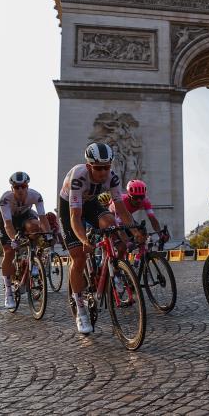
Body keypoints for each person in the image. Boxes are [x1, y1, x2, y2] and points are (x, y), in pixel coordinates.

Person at [58, 142, 144, 334]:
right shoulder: (79, 176)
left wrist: (133, 231)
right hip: (70, 207)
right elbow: (75, 217)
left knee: (110, 222)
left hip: (91, 203)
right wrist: (83, 240)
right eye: (99, 168)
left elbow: (120, 209)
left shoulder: (111, 178)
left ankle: (113, 265)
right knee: (79, 257)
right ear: (89, 166)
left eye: (107, 167)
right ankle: (80, 309)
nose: (104, 172)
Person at [0, 172, 50, 309]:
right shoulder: (5, 199)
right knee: (9, 251)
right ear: (12, 189)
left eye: (23, 186)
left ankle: (32, 257)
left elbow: (43, 219)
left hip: (26, 215)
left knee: (36, 227)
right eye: (17, 187)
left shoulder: (36, 196)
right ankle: (8, 291)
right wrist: (14, 238)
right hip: (9, 220)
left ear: (27, 186)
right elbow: (8, 225)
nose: (20, 189)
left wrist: (48, 235)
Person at [108, 179, 167, 249]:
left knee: (141, 230)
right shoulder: (122, 201)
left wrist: (160, 235)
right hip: (113, 216)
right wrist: (127, 242)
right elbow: (120, 226)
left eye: (141, 197)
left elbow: (153, 219)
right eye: (135, 198)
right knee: (123, 244)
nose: (139, 200)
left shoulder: (145, 201)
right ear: (129, 196)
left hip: (127, 215)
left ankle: (142, 254)